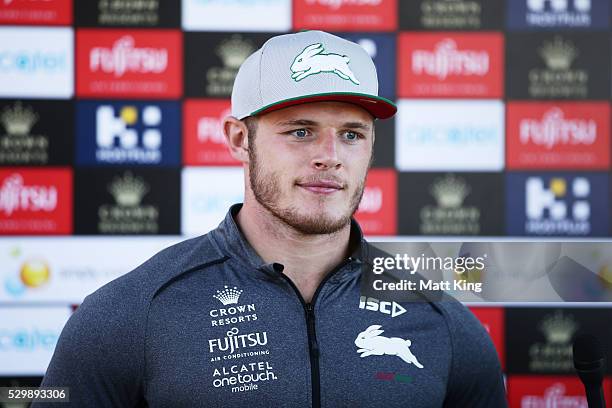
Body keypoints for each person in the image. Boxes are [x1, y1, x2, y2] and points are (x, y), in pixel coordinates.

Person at [34, 30, 507, 407]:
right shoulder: (131, 312)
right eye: (301, 132)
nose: (330, 156)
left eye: (351, 134)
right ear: (239, 140)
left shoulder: (441, 318)